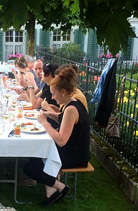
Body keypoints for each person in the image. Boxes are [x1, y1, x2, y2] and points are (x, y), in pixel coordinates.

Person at [24, 66, 90, 206]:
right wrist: (49, 114)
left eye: (54, 94)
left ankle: (60, 187)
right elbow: (63, 119)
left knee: (29, 167)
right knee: (33, 156)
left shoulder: (71, 109)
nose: (52, 97)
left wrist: (44, 123)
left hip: (75, 156)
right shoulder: (72, 103)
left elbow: (61, 140)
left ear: (63, 92)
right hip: (74, 150)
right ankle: (52, 191)